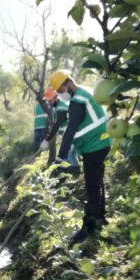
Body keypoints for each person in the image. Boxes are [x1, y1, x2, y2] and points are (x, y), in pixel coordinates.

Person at [47, 69, 111, 243]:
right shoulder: (84, 93)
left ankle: (88, 228)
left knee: (92, 185)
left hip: (94, 145)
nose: (60, 95)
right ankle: (101, 217)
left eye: (60, 91)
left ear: (68, 83)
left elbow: (70, 131)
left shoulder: (77, 101)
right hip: (101, 143)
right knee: (97, 181)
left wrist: (60, 157)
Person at [40, 86, 79, 170]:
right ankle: (76, 171)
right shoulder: (59, 106)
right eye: (48, 101)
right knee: (71, 155)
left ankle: (68, 173)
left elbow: (56, 125)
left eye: (50, 100)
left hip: (71, 135)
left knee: (66, 157)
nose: (49, 103)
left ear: (56, 97)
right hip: (71, 134)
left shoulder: (61, 107)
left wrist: (47, 140)